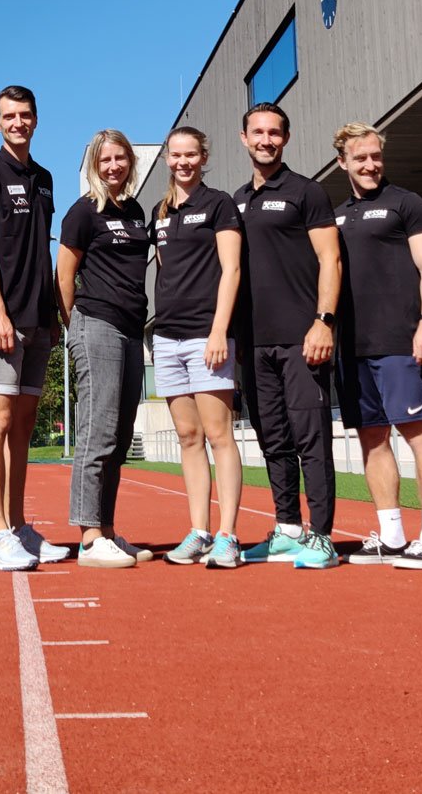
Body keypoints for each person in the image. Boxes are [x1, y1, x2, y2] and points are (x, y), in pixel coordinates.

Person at [330, 123, 422, 569]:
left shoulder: (407, 203)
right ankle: (392, 535)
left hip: (401, 339)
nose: (370, 165)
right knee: (372, 438)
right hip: (352, 346)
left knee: (417, 432)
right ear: (342, 162)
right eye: (360, 158)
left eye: (375, 156)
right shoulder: (336, 215)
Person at [233, 103, 344, 570]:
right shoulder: (236, 200)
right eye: (258, 132)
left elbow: (330, 258)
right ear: (244, 138)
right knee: (273, 439)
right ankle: (287, 529)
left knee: (310, 439)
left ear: (286, 138)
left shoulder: (306, 191)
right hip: (253, 343)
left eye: (274, 132)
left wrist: (324, 321)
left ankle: (322, 536)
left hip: (302, 338)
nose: (266, 140)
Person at [0, 85, 65, 572]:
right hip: (0, 319)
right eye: (9, 116)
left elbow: (43, 249)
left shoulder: (44, 178)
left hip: (38, 318)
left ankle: (19, 525)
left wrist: (52, 314)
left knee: (23, 427)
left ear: (36, 119)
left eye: (25, 115)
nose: (18, 122)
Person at [57, 129, 154, 570]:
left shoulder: (135, 212)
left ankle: (108, 531)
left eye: (120, 158)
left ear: (130, 162)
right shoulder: (83, 212)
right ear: (96, 165)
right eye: (105, 160)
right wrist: (74, 326)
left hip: (132, 330)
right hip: (96, 323)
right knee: (97, 432)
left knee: (118, 437)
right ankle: (89, 536)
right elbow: (64, 274)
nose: (113, 166)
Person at [152, 127, 247, 569]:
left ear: (203, 157)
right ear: (167, 159)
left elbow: (232, 270)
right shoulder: (160, 211)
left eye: (191, 154)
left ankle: (228, 535)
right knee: (189, 438)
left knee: (219, 435)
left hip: (206, 336)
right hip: (166, 338)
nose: (183, 162)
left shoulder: (219, 204)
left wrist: (218, 330)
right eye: (176, 155)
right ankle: (199, 531)